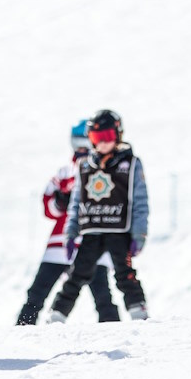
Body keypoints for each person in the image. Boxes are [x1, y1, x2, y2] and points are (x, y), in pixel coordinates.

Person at [50, 109, 149, 322]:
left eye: (107, 137)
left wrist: (139, 234)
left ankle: (138, 310)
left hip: (119, 230)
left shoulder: (130, 164)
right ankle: (57, 314)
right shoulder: (85, 166)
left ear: (118, 135)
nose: (102, 143)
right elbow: (77, 201)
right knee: (78, 273)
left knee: (124, 273)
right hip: (92, 231)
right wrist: (70, 232)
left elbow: (140, 202)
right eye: (97, 138)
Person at [16, 120, 118, 325]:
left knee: (102, 294)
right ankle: (23, 328)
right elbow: (48, 208)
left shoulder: (105, 169)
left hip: (92, 242)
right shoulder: (64, 172)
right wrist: (60, 201)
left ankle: (113, 328)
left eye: (85, 142)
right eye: (76, 142)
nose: (81, 148)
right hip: (60, 243)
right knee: (38, 291)